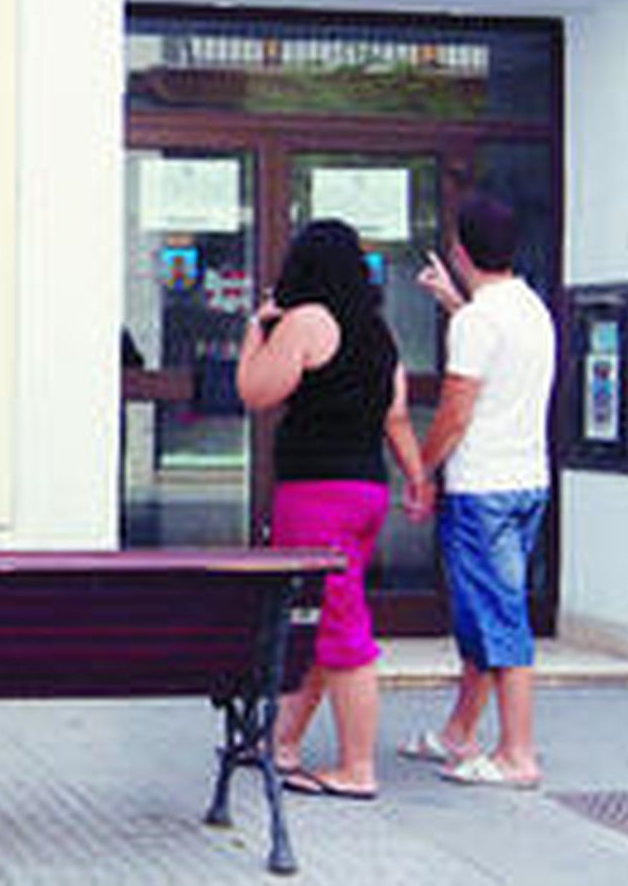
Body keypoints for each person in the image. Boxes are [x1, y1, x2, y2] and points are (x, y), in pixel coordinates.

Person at [236, 219, 427, 801]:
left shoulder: (306, 323)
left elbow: (254, 391)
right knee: (324, 618)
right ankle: (281, 742)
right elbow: (394, 416)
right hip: (365, 491)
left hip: (316, 494)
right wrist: (417, 478)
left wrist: (254, 333)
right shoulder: (379, 335)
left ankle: (357, 768)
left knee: (341, 627)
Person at [399, 194, 554, 790]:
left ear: (461, 252)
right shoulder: (530, 309)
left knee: (497, 616)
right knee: (486, 614)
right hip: (525, 482)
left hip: (481, 488)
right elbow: (497, 352)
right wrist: (454, 303)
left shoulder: (476, 323)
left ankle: (518, 753)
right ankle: (460, 732)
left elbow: (455, 413)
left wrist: (421, 472)